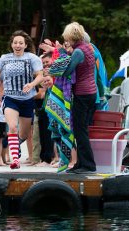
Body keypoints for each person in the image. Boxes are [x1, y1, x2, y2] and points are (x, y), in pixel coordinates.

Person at [49, 22, 97, 174]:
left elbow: (67, 70)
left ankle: (87, 166)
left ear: (71, 36)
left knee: (79, 131)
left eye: (67, 38)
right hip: (91, 93)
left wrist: (62, 52)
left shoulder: (78, 52)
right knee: (80, 130)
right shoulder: (88, 47)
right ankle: (80, 164)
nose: (66, 40)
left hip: (82, 94)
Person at [0, 30, 43, 169]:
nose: (18, 45)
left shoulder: (32, 58)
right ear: (12, 45)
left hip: (27, 99)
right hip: (10, 97)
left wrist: (32, 84)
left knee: (24, 134)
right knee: (12, 127)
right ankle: (15, 160)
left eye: (21, 43)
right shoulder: (4, 58)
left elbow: (40, 75)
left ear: (25, 45)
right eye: (15, 42)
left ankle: (15, 148)